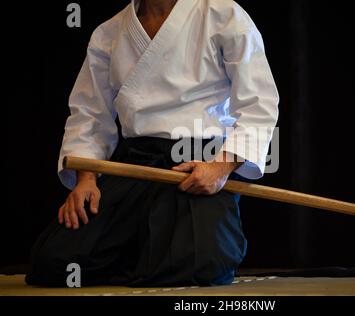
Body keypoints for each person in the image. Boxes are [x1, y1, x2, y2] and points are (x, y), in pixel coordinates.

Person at [26, 0, 279, 287]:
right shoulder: (109, 33)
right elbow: (90, 115)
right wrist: (86, 179)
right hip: (134, 165)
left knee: (205, 262)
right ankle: (150, 257)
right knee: (56, 261)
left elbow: (260, 103)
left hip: (200, 165)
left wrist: (221, 168)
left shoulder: (223, 13)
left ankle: (148, 255)